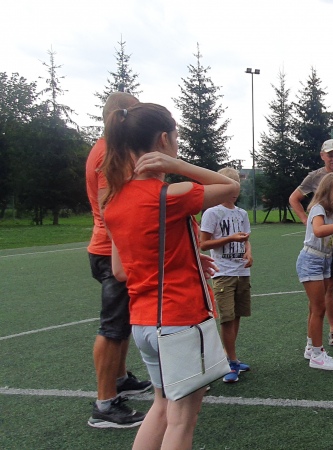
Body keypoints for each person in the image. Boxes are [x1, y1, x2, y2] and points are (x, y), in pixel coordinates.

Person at [102, 103, 240, 449]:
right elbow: (229, 187)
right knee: (181, 420)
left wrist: (186, 259)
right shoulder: (170, 194)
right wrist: (177, 166)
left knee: (162, 407)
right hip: (179, 318)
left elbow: (121, 270)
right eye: (176, 138)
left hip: (143, 322)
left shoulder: (114, 200)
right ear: (164, 139)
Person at [85, 92, 151, 429]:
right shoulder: (108, 153)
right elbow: (110, 206)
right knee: (112, 328)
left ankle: (121, 379)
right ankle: (105, 404)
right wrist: (124, 253)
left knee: (121, 322)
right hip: (111, 252)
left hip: (113, 249)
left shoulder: (109, 149)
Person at [289, 139, 333, 348]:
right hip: (317, 254)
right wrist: (305, 219)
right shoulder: (319, 205)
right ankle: (323, 341)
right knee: (320, 302)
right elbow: (318, 229)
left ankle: (313, 347)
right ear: (323, 156)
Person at [199, 167, 253, 383]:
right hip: (223, 273)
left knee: (237, 315)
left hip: (242, 272)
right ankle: (229, 361)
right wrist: (230, 239)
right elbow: (203, 244)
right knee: (227, 318)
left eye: (236, 189)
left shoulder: (242, 214)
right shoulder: (212, 212)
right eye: (230, 189)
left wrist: (248, 252)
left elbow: (247, 239)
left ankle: (231, 358)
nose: (234, 193)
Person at [296, 172, 333, 371]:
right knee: (319, 308)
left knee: (315, 308)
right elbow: (319, 231)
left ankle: (311, 347)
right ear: (327, 191)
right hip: (311, 260)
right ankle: (318, 355)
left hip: (325, 259)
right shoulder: (318, 209)